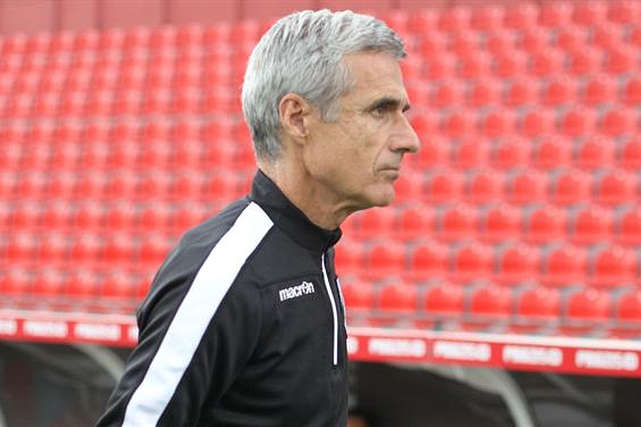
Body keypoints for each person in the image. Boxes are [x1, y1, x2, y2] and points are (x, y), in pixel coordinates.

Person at [96, 9, 419, 427]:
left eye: (403, 112)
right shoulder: (225, 273)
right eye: (380, 110)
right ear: (297, 118)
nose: (409, 139)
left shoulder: (312, 246)